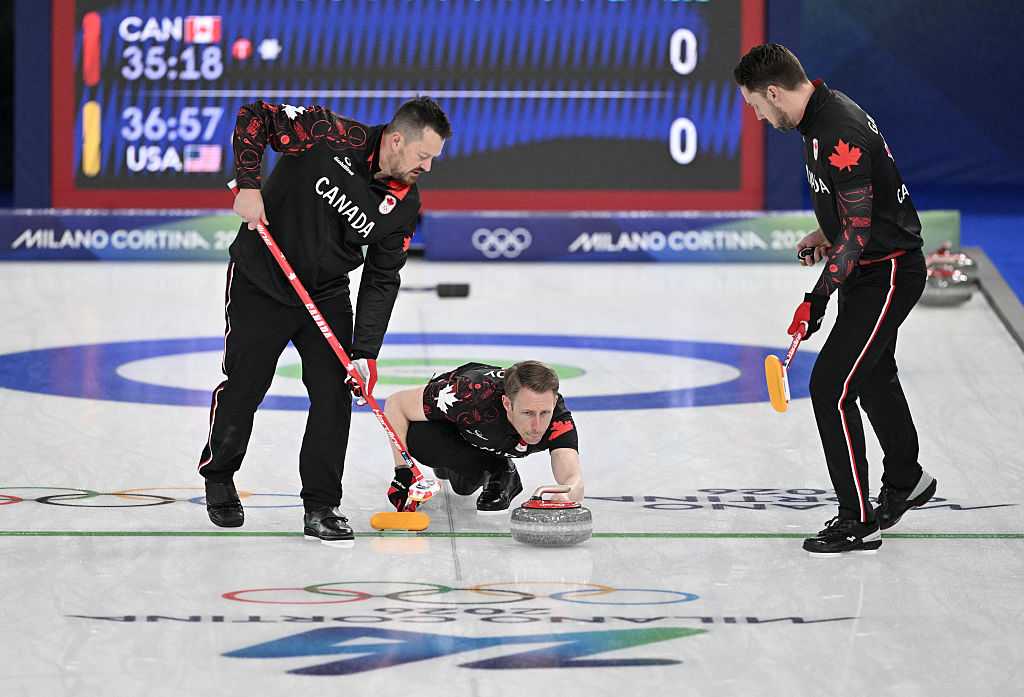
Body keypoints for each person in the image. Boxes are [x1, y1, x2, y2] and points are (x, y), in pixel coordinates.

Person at [197, 97, 451, 544]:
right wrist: (251, 186)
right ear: (396, 140)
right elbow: (254, 116)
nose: (427, 167)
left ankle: (321, 505)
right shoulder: (326, 133)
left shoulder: (404, 205)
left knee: (335, 397)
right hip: (261, 279)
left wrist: (365, 353)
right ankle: (219, 475)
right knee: (246, 385)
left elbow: (382, 277)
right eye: (422, 156)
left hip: (327, 294)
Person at [734, 44, 936, 555]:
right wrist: (823, 232)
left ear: (774, 93)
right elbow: (857, 207)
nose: (757, 117)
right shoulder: (818, 118)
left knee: (830, 387)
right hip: (872, 267)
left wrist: (816, 297)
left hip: (886, 273)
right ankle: (907, 479)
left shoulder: (835, 129)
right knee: (870, 376)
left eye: (756, 105)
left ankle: (857, 518)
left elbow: (863, 232)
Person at [381, 361, 584, 513]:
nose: (537, 426)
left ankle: (496, 470)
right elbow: (396, 404)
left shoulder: (557, 417)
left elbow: (572, 477)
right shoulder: (469, 393)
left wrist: (565, 494)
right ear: (507, 404)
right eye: (528, 413)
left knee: (462, 487)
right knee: (421, 437)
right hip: (457, 430)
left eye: (544, 413)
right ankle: (496, 468)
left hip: (486, 437)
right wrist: (403, 471)